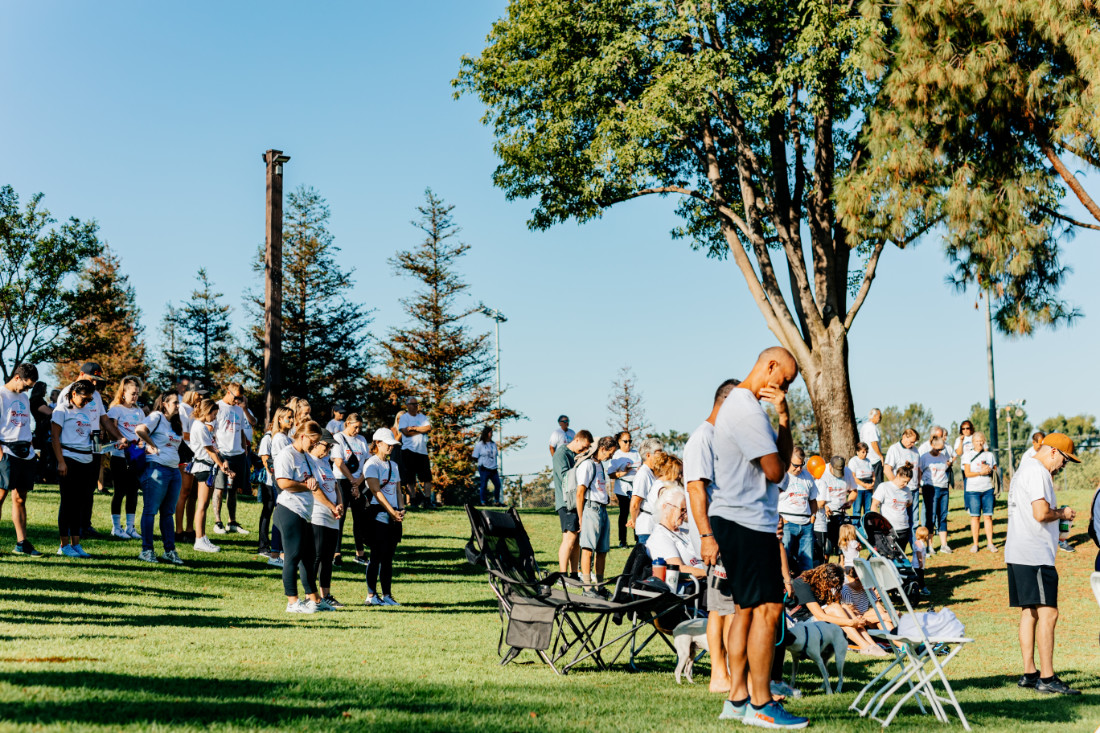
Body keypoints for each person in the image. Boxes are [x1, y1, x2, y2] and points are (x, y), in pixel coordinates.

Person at [707, 347, 808, 728]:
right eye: (784, 381)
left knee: (747, 612)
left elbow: (779, 462)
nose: (783, 388)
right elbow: (776, 472)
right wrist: (780, 452)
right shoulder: (746, 408)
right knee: (768, 609)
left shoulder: (751, 408)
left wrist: (783, 416)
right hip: (747, 522)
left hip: (743, 520)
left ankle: (737, 701)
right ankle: (762, 704)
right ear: (769, 367)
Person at [1005, 433, 1080, 695]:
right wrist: (1063, 513)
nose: (1063, 466)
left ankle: (1029, 673)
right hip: (1034, 554)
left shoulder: (1023, 470)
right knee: (1049, 613)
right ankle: (1047, 678)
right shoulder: (1038, 472)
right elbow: (1040, 513)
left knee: (1030, 612)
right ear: (1053, 452)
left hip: (1017, 552)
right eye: (1065, 460)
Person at [684, 378, 740, 694]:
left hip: (729, 533)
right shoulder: (702, 439)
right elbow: (695, 487)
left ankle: (727, 672)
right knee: (722, 607)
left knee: (727, 607)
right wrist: (707, 536)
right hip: (715, 536)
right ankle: (720, 674)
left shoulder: (722, 439)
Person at [57, 362, 125, 537]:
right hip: (72, 449)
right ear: (81, 374)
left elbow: (104, 419)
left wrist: (118, 437)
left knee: (89, 488)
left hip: (93, 446)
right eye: (92, 379)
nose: (95, 383)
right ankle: (72, 530)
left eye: (97, 380)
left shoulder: (95, 395)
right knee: (71, 494)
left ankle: (84, 524)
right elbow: (62, 423)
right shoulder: (67, 393)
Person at [273, 420, 334, 613]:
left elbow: (313, 484)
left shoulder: (306, 457)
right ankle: (292, 602)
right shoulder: (287, 454)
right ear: (303, 436)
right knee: (293, 556)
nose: (314, 446)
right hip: (289, 510)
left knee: (308, 558)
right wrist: (306, 485)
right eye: (313, 442)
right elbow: (282, 482)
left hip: (304, 514)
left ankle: (314, 600)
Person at [52, 380, 116, 557]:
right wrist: (61, 461)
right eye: (84, 399)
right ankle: (63, 545)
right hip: (69, 458)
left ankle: (76, 543)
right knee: (67, 502)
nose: (87, 402)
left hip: (87, 458)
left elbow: (86, 432)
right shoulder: (61, 410)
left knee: (80, 503)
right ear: (74, 394)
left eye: (90, 400)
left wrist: (97, 436)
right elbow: (55, 438)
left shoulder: (87, 411)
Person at [787, 563, 889, 656]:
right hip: (795, 627)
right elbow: (820, 616)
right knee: (836, 608)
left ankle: (873, 646)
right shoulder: (803, 584)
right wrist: (851, 622)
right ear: (824, 580)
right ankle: (865, 647)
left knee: (843, 607)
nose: (830, 589)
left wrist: (853, 619)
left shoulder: (818, 584)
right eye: (830, 586)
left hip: (810, 623)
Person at [134, 391, 185, 565]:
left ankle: (169, 551)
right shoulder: (157, 416)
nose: (178, 406)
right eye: (175, 402)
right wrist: (151, 444)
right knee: (150, 511)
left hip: (173, 471)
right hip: (156, 468)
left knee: (168, 513)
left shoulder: (176, 423)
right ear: (164, 403)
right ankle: (147, 550)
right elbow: (139, 429)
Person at [0, 364, 42, 556]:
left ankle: (22, 543)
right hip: (6, 450)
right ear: (17, 377)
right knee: (0, 497)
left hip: (25, 452)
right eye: (26, 385)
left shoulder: (24, 398)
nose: (28, 390)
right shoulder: (1, 395)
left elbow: (25, 423)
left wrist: (31, 447)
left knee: (20, 498)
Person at [363, 427, 406, 606]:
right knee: (376, 556)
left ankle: (387, 595)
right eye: (388, 444)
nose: (391, 448)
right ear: (378, 443)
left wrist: (401, 509)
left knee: (388, 557)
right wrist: (391, 511)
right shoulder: (371, 464)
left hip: (394, 515)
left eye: (393, 445)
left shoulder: (393, 465)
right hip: (378, 515)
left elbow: (397, 489)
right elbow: (376, 491)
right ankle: (371, 595)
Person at [189, 398, 236, 553]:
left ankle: (202, 536)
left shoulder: (203, 427)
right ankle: (199, 539)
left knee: (205, 504)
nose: (214, 418)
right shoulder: (199, 427)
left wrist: (222, 462)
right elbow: (209, 450)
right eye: (214, 414)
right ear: (207, 412)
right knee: (202, 505)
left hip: (209, 467)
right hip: (203, 467)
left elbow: (214, 449)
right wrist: (223, 466)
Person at [211, 383, 255, 535]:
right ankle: (218, 522)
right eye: (236, 397)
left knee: (234, 490)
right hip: (223, 454)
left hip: (238, 454)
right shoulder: (217, 407)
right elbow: (210, 432)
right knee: (219, 488)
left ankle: (232, 522)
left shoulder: (239, 409)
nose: (238, 401)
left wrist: (244, 450)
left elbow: (242, 431)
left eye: (241, 398)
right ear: (228, 392)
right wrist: (216, 453)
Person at [106, 376, 145, 540]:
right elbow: (111, 429)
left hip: (136, 455)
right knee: (119, 491)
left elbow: (143, 431)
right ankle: (116, 527)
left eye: (137, 394)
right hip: (119, 455)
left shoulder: (139, 411)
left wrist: (142, 443)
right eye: (132, 393)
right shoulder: (115, 409)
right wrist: (120, 441)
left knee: (133, 492)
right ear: (123, 393)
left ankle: (130, 527)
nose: (135, 397)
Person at [308, 430, 345, 608]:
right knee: (317, 555)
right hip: (318, 514)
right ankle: (311, 595)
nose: (329, 450)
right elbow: (315, 490)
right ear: (315, 442)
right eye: (327, 445)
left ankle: (326, 595)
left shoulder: (325, 462)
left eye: (331, 447)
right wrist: (332, 506)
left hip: (333, 515)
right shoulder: (309, 461)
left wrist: (340, 503)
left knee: (328, 557)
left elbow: (335, 485)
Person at [577, 435, 617, 596]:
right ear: (602, 449)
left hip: (602, 508)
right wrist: (581, 517)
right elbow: (580, 493)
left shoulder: (600, 466)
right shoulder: (587, 465)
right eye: (611, 452)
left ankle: (599, 586)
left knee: (602, 549)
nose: (611, 456)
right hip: (590, 508)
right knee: (588, 548)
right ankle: (587, 587)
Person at [552, 430, 593, 576]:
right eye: (583, 447)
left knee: (576, 539)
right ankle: (563, 575)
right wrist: (579, 465)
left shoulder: (576, 454)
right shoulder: (561, 454)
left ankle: (574, 573)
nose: (584, 451)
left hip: (576, 501)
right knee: (569, 538)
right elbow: (565, 477)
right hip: (565, 502)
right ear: (576, 440)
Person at [646, 486, 707, 582]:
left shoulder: (684, 530)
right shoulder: (660, 537)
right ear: (665, 507)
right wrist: (711, 574)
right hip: (689, 587)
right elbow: (678, 570)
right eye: (682, 510)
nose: (685, 515)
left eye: (686, 511)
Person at [332, 413, 370, 565]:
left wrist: (358, 481)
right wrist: (352, 480)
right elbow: (339, 462)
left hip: (359, 481)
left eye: (360, 427)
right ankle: (336, 553)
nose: (358, 431)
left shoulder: (361, 440)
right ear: (347, 424)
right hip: (342, 480)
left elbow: (367, 462)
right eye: (355, 427)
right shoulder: (338, 438)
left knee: (359, 517)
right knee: (340, 517)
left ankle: (359, 553)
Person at [777, 447, 819, 576]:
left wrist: (813, 516)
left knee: (807, 563)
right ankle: (784, 587)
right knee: (784, 560)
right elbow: (771, 500)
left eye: (801, 465)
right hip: (787, 523)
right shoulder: (781, 476)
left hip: (806, 524)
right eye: (795, 465)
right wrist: (781, 520)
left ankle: (805, 590)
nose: (799, 469)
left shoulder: (807, 477)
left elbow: (813, 500)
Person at [816, 455, 857, 564]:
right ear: (830, 466)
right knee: (827, 545)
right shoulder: (822, 472)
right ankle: (824, 566)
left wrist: (850, 501)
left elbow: (854, 491)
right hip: (825, 513)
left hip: (840, 513)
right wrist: (824, 506)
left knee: (842, 544)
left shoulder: (847, 472)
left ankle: (842, 566)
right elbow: (814, 493)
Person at [963, 431, 998, 553]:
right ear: (973, 442)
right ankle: (975, 544)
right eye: (977, 441)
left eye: (981, 441)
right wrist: (980, 473)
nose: (979, 443)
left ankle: (990, 543)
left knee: (988, 516)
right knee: (975, 517)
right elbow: (967, 473)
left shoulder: (989, 455)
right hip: (973, 490)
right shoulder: (967, 455)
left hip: (987, 489)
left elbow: (995, 471)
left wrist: (989, 470)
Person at [255, 417, 283, 566]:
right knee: (267, 510)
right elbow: (265, 460)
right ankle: (263, 545)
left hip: (277, 481)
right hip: (269, 481)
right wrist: (273, 477)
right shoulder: (268, 438)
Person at [919, 435, 954, 553]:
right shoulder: (924, 457)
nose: (939, 451)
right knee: (931, 516)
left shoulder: (944, 457)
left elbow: (949, 464)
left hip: (944, 487)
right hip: (931, 488)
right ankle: (930, 546)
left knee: (943, 516)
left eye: (941, 449)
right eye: (937, 449)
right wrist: (920, 485)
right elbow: (920, 472)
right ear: (932, 445)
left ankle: (944, 545)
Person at [398, 397, 435, 508]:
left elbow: (428, 428)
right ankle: (413, 500)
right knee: (410, 478)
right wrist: (420, 430)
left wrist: (414, 428)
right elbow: (406, 433)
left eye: (416, 404)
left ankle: (427, 500)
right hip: (409, 450)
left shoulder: (422, 417)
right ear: (407, 405)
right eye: (413, 404)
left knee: (427, 477)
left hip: (422, 451)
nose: (415, 406)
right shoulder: (404, 418)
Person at [627, 437, 665, 545]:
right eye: (658, 453)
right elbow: (635, 503)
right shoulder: (643, 474)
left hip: (654, 524)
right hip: (647, 527)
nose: (661, 456)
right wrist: (634, 521)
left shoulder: (652, 473)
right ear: (648, 455)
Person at [872, 462, 915, 551]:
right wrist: (878, 522)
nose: (906, 484)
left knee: (900, 557)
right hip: (888, 529)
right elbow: (874, 505)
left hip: (904, 529)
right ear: (898, 476)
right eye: (904, 481)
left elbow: (909, 503)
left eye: (908, 482)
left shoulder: (907, 490)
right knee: (888, 556)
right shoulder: (884, 487)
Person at [607, 431, 639, 548]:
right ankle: (623, 541)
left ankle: (638, 540)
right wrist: (624, 472)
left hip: (636, 487)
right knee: (624, 513)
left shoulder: (636, 453)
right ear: (619, 442)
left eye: (630, 441)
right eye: (625, 441)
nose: (628, 444)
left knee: (636, 512)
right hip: (623, 488)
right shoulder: (616, 455)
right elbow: (611, 474)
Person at [885, 428, 921, 529]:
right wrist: (895, 485)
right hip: (900, 491)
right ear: (904, 436)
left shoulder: (915, 450)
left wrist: (918, 483)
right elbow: (887, 469)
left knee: (914, 521)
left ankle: (914, 544)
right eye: (911, 442)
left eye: (914, 442)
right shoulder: (894, 449)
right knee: (900, 521)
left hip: (914, 490)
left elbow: (918, 468)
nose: (913, 444)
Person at [30, 380, 53, 483]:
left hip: (40, 428)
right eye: (45, 390)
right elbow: (49, 413)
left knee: (44, 453)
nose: (46, 392)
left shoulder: (34, 400)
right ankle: (39, 475)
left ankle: (40, 474)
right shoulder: (37, 401)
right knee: (45, 453)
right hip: (42, 429)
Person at [472, 425, 502, 506]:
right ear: (486, 433)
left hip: (493, 468)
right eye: (490, 432)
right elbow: (474, 456)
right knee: (484, 485)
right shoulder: (480, 445)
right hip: (484, 468)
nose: (491, 434)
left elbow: (495, 455)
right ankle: (483, 501)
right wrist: (480, 463)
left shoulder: (493, 444)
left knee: (498, 484)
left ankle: (497, 501)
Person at [848, 443, 875, 521]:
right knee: (857, 510)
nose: (865, 454)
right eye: (863, 452)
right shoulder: (853, 461)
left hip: (868, 489)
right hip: (858, 489)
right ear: (857, 452)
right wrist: (864, 485)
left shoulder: (868, 461)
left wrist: (872, 483)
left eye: (866, 452)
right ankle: (857, 527)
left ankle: (867, 527)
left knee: (868, 510)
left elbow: (873, 474)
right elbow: (853, 477)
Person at [859, 408, 885, 486]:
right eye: (879, 416)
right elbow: (873, 443)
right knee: (878, 483)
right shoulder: (873, 427)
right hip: (875, 459)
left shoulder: (864, 427)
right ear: (874, 416)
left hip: (866, 459)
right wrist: (880, 456)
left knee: (868, 483)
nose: (880, 418)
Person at [912, 526, 931, 595]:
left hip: (918, 565)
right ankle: (923, 589)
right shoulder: (919, 544)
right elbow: (919, 553)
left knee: (918, 578)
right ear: (926, 537)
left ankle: (915, 589)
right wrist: (920, 562)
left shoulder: (918, 542)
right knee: (920, 578)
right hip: (917, 565)